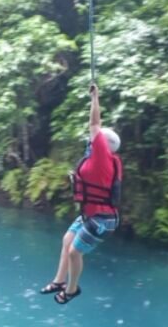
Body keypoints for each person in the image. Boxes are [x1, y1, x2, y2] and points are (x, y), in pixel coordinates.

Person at [41, 83, 122, 304]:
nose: (91, 140)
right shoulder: (96, 159)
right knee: (67, 239)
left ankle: (72, 289)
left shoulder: (102, 157)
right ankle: (59, 281)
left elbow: (95, 123)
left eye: (95, 140)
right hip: (91, 214)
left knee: (75, 253)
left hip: (103, 220)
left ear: (104, 145)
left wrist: (95, 98)